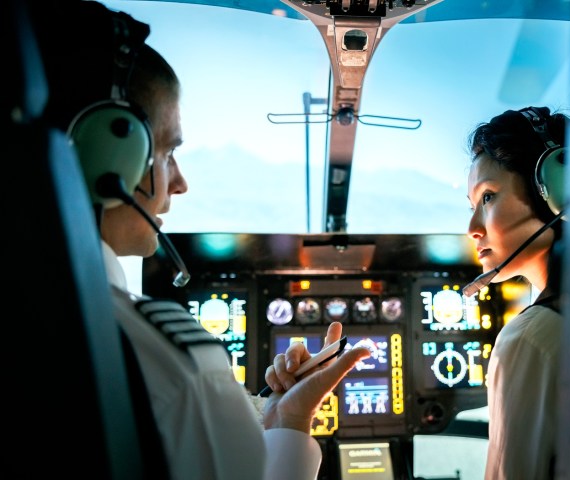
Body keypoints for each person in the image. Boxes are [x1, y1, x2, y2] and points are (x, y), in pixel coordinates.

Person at [31, 1, 370, 479]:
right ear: (110, 153)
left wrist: (277, 416)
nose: (180, 182)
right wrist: (291, 425)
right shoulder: (168, 363)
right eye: (167, 151)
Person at [465, 106, 569, 480]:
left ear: (556, 193)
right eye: (472, 205)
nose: (473, 228)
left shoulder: (530, 338)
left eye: (488, 197)